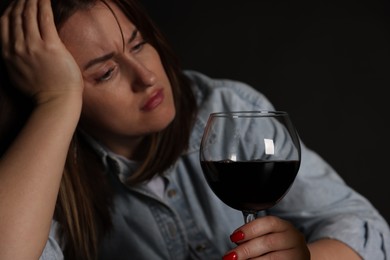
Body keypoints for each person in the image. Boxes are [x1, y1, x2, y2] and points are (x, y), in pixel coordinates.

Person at [0, 0, 389, 259]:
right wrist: (55, 103)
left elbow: (366, 226)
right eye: (105, 72)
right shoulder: (41, 175)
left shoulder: (223, 110)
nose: (148, 76)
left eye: (138, 44)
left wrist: (307, 258)